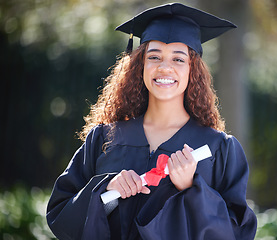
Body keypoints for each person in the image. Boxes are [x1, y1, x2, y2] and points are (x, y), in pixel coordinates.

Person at [46, 3, 257, 240]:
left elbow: (238, 233)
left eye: (178, 59)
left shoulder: (218, 149)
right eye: (154, 56)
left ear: (192, 70)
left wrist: (192, 189)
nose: (164, 67)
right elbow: (61, 215)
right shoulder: (105, 139)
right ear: (141, 66)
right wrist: (106, 191)